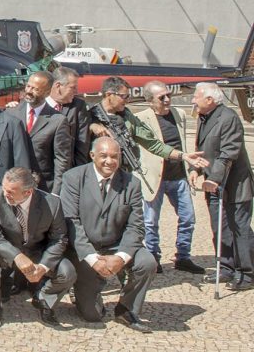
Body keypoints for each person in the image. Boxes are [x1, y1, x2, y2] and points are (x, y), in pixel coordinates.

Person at [61, 137, 157, 332]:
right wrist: (92, 258)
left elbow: (136, 226)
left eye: (114, 156)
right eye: (103, 156)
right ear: (92, 155)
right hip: (86, 249)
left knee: (147, 262)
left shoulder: (132, 183)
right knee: (92, 315)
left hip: (116, 245)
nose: (109, 161)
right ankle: (87, 292)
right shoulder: (73, 178)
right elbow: (71, 222)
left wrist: (121, 257)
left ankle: (127, 309)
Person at [0, 167, 75, 329]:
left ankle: (44, 300)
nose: (5, 194)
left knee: (68, 272)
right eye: (3, 188)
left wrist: (43, 267)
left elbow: (59, 239)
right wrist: (16, 256)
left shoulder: (52, 203)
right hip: (7, 249)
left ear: (28, 192)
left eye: (10, 192)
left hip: (37, 250)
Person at [88, 77, 206, 191]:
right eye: (124, 96)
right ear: (109, 95)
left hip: (122, 177)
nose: (127, 100)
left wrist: (183, 156)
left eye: (128, 96)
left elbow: (152, 144)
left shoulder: (127, 117)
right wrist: (91, 126)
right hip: (96, 180)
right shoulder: (90, 116)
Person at [189, 82, 254, 290]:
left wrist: (214, 179)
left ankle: (247, 273)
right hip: (214, 183)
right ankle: (226, 267)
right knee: (220, 227)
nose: (193, 100)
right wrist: (195, 169)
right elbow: (202, 148)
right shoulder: (203, 116)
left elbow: (228, 153)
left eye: (196, 96)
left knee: (239, 228)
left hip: (235, 183)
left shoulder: (228, 118)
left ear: (210, 99)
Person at [134, 80, 203, 274]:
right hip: (154, 177)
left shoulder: (179, 114)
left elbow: (185, 144)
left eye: (168, 95)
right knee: (150, 221)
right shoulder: (140, 119)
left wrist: (191, 168)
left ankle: (183, 256)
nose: (167, 100)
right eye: (161, 97)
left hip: (178, 176)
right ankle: (153, 257)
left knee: (188, 217)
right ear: (150, 101)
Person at [12, 71, 72, 195]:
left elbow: (62, 160)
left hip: (43, 187)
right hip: (14, 185)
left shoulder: (57, 121)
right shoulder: (11, 113)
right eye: (28, 86)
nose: (29, 91)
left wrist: (56, 192)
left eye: (35, 89)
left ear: (47, 92)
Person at [46, 67, 92, 166]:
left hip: (67, 167)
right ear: (58, 86)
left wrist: (79, 171)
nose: (76, 91)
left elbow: (82, 143)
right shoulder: (38, 104)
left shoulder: (77, 106)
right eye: (73, 87)